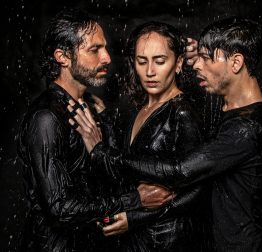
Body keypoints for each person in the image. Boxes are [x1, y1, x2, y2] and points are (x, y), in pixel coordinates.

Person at [71, 17, 262, 251]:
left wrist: (103, 154)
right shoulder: (227, 107)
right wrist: (202, 55)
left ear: (236, 62)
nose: (198, 65)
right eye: (142, 61)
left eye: (160, 60)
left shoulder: (245, 128)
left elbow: (180, 172)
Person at [17, 9, 171, 252]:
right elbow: (60, 210)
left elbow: (103, 181)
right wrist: (135, 200)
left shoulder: (90, 108)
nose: (107, 58)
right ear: (63, 57)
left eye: (105, 48)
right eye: (94, 50)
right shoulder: (46, 117)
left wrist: (106, 124)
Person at [68, 21, 210, 251]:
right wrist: (103, 125)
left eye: (160, 61)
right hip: (137, 240)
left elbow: (200, 190)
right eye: (141, 61)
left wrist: (135, 218)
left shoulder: (182, 112)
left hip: (168, 240)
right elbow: (130, 172)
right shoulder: (140, 108)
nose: (150, 72)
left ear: (179, 63)